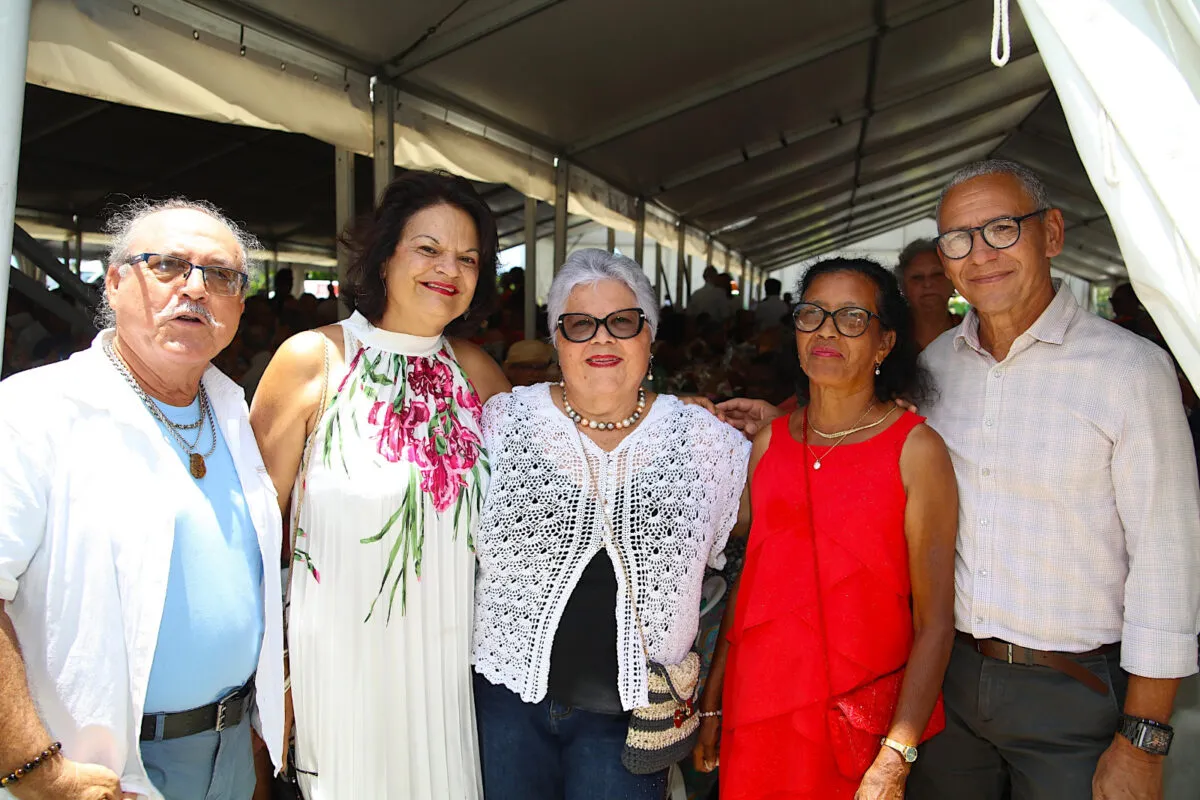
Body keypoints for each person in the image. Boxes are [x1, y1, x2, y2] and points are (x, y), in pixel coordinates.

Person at [903, 159, 1200, 800]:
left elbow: (1168, 561)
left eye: (1002, 228)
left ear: (1053, 234)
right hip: (948, 682)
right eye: (958, 239)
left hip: (1077, 694)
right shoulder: (935, 367)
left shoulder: (1130, 371)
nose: (981, 254)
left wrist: (1144, 741)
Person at [0, 199, 285, 799]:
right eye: (168, 265)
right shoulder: (34, 411)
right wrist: (35, 770)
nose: (195, 288)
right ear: (114, 282)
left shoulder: (233, 411)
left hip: (230, 754)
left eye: (221, 275)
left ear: (239, 304)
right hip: (96, 770)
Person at [250, 170, 508, 800]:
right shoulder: (314, 359)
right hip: (343, 675)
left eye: (468, 258)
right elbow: (249, 537)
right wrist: (271, 677)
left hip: (452, 678)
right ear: (385, 255)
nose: (448, 269)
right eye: (428, 248)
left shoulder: (477, 374)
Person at [471, 249, 750, 800]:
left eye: (622, 322)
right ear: (556, 341)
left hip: (632, 720)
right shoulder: (503, 422)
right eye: (579, 325)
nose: (601, 338)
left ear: (650, 336)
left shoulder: (708, 442)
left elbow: (779, 518)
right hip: (506, 705)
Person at [695, 257, 957, 799]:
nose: (827, 331)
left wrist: (898, 752)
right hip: (756, 704)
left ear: (885, 343)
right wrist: (714, 701)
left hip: (856, 722)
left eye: (852, 317)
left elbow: (935, 622)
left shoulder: (916, 449)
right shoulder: (770, 443)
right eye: (812, 314)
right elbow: (752, 584)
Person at [895, 238, 961, 350]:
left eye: (937, 274)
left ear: (952, 281)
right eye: (917, 277)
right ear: (903, 286)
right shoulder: (888, 337)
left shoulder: (974, 332)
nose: (928, 284)